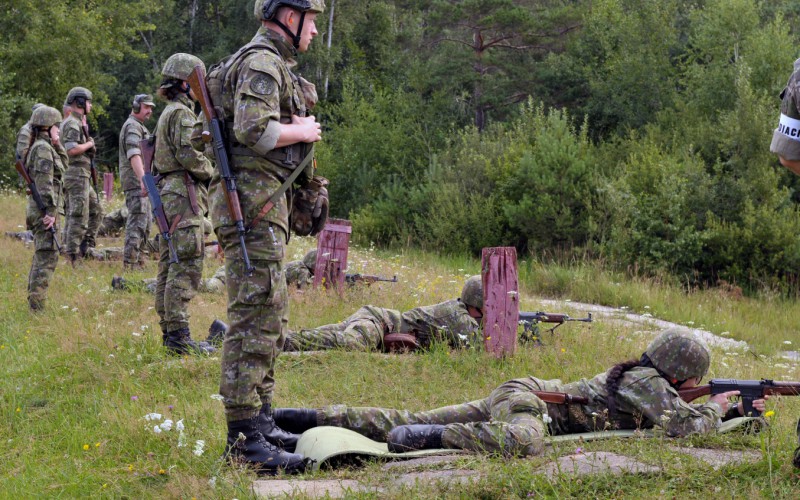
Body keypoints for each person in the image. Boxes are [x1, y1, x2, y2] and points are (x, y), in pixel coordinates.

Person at [274, 329, 768, 457]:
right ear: (682, 373)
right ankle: (424, 439)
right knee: (525, 443)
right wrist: (720, 406)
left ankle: (295, 418)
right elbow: (684, 428)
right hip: (530, 406)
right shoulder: (648, 384)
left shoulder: (644, 378)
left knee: (405, 409)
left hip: (522, 393)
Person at [209, 0, 327, 475]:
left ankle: (260, 423)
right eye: (311, 19)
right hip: (252, 206)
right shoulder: (261, 61)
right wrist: (299, 128)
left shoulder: (272, 62)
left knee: (270, 310)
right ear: (287, 16)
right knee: (254, 312)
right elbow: (252, 128)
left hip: (263, 205)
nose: (316, 30)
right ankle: (243, 440)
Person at [152, 53, 216, 356]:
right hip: (182, 194)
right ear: (185, 83)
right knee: (186, 263)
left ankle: (171, 333)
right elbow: (189, 155)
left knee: (171, 263)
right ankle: (179, 337)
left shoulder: (170, 112)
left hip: (171, 192)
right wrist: (215, 173)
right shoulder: (181, 114)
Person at [283, 275, 483, 352]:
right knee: (353, 344)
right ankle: (284, 342)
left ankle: (284, 338)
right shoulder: (460, 317)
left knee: (333, 334)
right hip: (380, 323)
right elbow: (481, 347)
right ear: (478, 302)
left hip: (376, 320)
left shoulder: (461, 312)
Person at [23, 106, 66, 311]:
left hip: (43, 210)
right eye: (57, 127)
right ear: (47, 127)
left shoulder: (46, 147)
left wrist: (58, 145)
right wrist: (50, 212)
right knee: (46, 257)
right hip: (43, 211)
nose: (59, 130)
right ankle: (37, 307)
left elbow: (63, 167)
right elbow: (45, 184)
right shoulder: (41, 149)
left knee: (44, 255)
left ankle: (35, 302)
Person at [61, 87, 103, 264]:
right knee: (78, 215)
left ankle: (85, 247)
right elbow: (71, 149)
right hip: (76, 175)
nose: (90, 105)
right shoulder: (72, 123)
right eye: (88, 102)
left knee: (96, 210)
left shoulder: (77, 123)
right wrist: (88, 144)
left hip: (81, 175)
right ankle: (71, 255)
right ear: (79, 102)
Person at [119, 94, 156, 270]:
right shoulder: (132, 126)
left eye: (151, 107)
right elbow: (134, 154)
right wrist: (143, 179)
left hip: (141, 182)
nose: (150, 111)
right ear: (136, 107)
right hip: (136, 182)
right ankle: (130, 264)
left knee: (146, 223)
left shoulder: (139, 126)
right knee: (137, 223)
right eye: (146, 107)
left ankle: (139, 261)